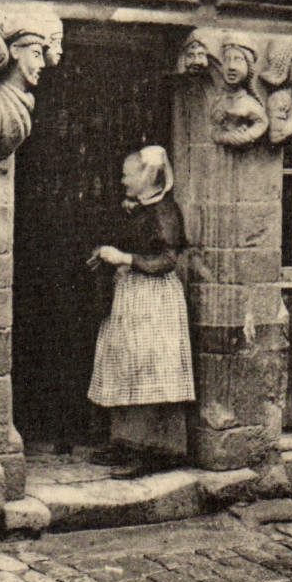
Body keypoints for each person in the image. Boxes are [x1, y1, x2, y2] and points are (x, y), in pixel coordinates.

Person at [85, 146, 195, 477]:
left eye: (127, 173)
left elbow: (168, 260)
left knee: (151, 367)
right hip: (132, 295)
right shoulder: (139, 209)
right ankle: (129, 441)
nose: (122, 179)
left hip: (154, 300)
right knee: (126, 365)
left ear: (147, 176)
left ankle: (158, 449)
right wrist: (107, 255)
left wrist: (126, 259)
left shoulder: (165, 212)